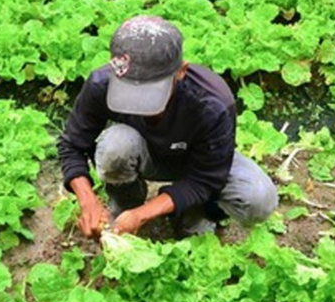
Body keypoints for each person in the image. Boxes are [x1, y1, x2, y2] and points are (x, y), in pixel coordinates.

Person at [57, 15, 278, 238]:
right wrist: (87, 200)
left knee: (258, 198)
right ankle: (126, 203)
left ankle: (195, 213)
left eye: (149, 92)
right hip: (143, 153)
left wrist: (143, 215)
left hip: (196, 161)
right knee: (115, 146)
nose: (138, 103)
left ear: (181, 72)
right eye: (130, 91)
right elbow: (72, 145)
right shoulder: (101, 85)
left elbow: (207, 177)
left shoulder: (212, 103)